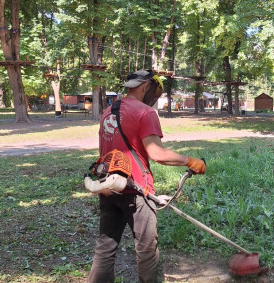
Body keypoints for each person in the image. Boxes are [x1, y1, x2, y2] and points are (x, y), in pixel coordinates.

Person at [88, 69, 206, 283]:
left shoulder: (109, 111)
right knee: (146, 251)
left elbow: (103, 152)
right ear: (145, 87)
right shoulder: (145, 112)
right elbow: (157, 154)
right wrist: (190, 161)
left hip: (108, 187)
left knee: (105, 248)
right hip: (136, 192)